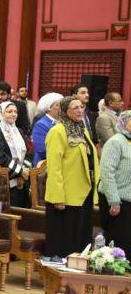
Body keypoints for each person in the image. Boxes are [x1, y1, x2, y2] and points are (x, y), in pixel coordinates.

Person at [44, 96, 100, 260]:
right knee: (65, 237)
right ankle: (59, 270)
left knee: (80, 235)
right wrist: (58, 196)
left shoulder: (82, 129)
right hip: (66, 194)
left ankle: (77, 267)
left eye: (81, 107)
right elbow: (54, 167)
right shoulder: (57, 131)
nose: (80, 110)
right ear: (64, 111)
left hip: (84, 191)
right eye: (75, 108)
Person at [0, 100, 33, 207]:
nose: (13, 114)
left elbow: (28, 154)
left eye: (15, 112)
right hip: (2, 183)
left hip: (21, 182)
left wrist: (24, 172)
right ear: (1, 113)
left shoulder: (19, 131)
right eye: (9, 111)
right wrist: (20, 171)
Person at [99, 110, 131, 251]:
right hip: (117, 200)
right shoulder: (115, 142)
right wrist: (114, 201)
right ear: (124, 122)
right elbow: (107, 172)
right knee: (119, 241)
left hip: (128, 199)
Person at [31, 92, 63, 164]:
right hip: (44, 164)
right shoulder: (41, 124)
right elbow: (42, 150)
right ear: (48, 108)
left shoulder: (62, 123)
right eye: (57, 105)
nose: (61, 108)